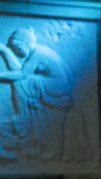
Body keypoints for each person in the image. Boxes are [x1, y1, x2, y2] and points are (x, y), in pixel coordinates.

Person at [0, 27, 73, 162]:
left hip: (55, 88)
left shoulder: (38, 53)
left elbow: (21, 74)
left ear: (24, 43)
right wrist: (5, 51)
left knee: (22, 82)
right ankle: (35, 140)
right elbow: (20, 70)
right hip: (56, 87)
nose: (18, 54)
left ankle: (22, 119)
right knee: (24, 82)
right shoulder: (39, 50)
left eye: (17, 49)